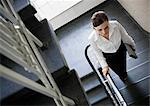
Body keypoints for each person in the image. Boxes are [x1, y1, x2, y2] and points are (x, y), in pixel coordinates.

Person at [88, 11, 136, 81]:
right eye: (100, 30)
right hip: (108, 56)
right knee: (118, 70)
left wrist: (133, 45)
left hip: (121, 49)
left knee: (123, 65)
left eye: (106, 27)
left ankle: (123, 74)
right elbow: (97, 53)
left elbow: (125, 36)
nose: (104, 32)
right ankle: (122, 76)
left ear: (108, 22)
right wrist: (104, 66)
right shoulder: (92, 39)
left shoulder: (116, 25)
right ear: (94, 29)